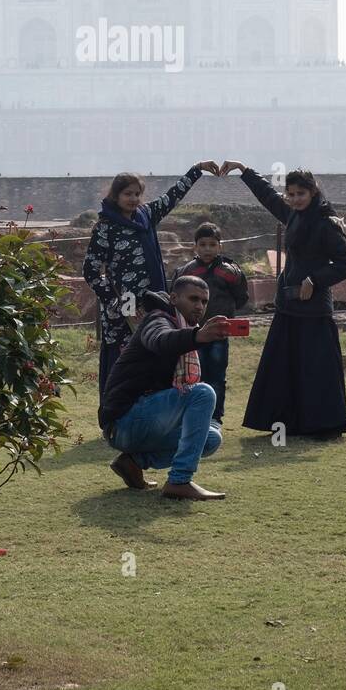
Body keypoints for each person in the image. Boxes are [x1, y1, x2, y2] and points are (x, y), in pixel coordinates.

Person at [220, 161, 346, 439]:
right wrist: (244, 171)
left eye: (300, 194)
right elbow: (268, 195)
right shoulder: (292, 214)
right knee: (285, 366)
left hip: (315, 308)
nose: (294, 199)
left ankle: (322, 425)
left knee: (315, 368)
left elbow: (345, 262)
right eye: (291, 194)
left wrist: (314, 280)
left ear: (313, 192)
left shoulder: (325, 223)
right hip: (288, 305)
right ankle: (287, 423)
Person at [82, 161, 220, 397]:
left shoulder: (147, 215)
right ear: (116, 196)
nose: (133, 199)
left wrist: (197, 169)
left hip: (154, 303)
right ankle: (117, 416)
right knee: (123, 359)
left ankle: (158, 410)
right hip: (123, 309)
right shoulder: (105, 227)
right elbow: (91, 270)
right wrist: (120, 304)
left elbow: (173, 195)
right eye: (127, 194)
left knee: (157, 351)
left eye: (137, 194)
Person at [98, 276, 230, 500]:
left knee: (211, 439)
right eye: (193, 299)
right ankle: (179, 481)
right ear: (174, 298)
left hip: (143, 422)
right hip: (123, 422)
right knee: (203, 392)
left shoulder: (186, 329)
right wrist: (198, 336)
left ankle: (133, 462)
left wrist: (196, 335)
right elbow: (161, 340)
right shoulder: (158, 319)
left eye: (204, 301)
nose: (199, 306)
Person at [171, 221, 249, 425]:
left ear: (220, 246)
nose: (207, 249)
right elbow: (176, 299)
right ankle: (193, 416)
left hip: (219, 333)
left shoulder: (230, 272)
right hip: (192, 334)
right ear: (195, 246)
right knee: (193, 375)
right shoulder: (186, 271)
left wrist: (224, 314)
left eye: (212, 245)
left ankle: (215, 418)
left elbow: (241, 297)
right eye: (203, 244)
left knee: (216, 375)